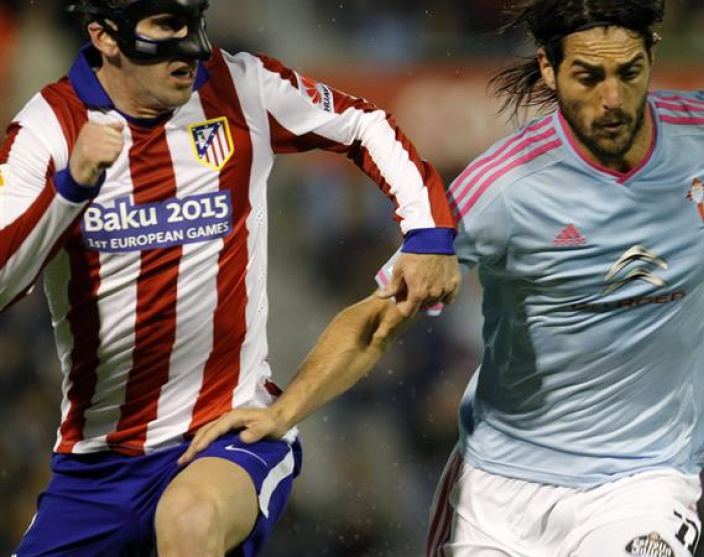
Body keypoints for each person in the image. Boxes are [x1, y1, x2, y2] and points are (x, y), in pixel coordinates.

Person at [183, 0, 704, 555]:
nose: (613, 98)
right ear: (549, 71)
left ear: (653, 56)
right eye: (589, 76)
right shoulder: (500, 190)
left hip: (644, 480)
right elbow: (381, 317)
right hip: (498, 489)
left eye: (630, 72)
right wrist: (283, 410)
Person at [0, 0, 460, 555]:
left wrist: (428, 230)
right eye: (168, 26)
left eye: (195, 21)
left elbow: (363, 122)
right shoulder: (47, 127)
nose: (194, 46)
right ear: (106, 37)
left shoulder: (242, 87)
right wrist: (70, 189)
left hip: (232, 428)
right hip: (98, 466)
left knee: (189, 521)